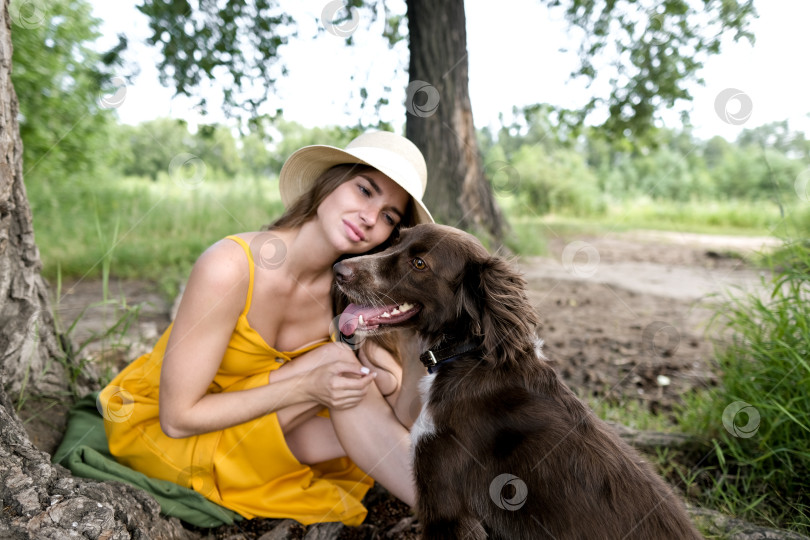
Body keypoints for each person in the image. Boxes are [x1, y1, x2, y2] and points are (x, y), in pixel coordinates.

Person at [98, 131, 434, 526]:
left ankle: (464, 518)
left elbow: (404, 415)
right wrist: (308, 387)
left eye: (389, 217)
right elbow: (178, 418)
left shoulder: (348, 294)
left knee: (360, 374)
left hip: (259, 433)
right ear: (329, 181)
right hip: (169, 435)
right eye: (364, 190)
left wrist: (414, 346)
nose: (370, 218)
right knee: (335, 361)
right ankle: (461, 517)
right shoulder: (230, 267)